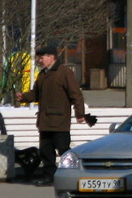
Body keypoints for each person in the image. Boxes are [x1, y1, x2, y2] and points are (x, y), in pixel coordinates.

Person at [16, 45, 86, 186]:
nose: (40, 60)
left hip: (59, 121)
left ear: (51, 57)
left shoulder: (64, 72)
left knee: (63, 150)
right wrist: (23, 97)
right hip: (45, 121)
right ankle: (49, 176)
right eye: (39, 58)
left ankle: (71, 174)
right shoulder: (43, 74)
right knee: (46, 151)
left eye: (42, 57)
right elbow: (36, 94)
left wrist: (80, 113)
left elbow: (76, 95)